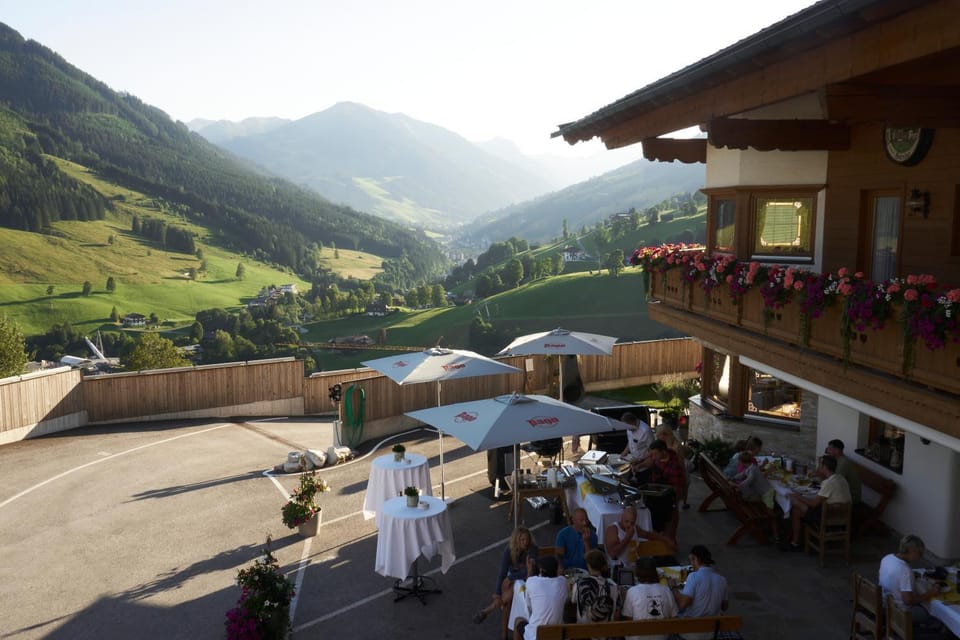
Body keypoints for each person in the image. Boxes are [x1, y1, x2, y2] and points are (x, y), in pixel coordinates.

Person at [474, 526, 539, 639]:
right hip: (514, 581)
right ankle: (503, 633)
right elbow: (502, 572)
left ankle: (489, 610)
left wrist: (511, 577)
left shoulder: (532, 549)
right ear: (516, 540)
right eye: (522, 540)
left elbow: (529, 571)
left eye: (527, 539)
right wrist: (497, 593)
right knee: (507, 601)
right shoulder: (509, 551)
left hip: (528, 580)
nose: (525, 542)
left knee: (508, 600)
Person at [878, 534, 945, 638]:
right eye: (920, 553)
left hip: (885, 604)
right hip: (900, 612)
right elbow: (908, 601)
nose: (921, 556)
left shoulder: (887, 558)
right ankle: (916, 634)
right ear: (911, 550)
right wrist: (931, 592)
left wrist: (909, 577)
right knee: (937, 616)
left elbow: (890, 576)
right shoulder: (905, 571)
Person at [782, 455, 851, 551]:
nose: (818, 467)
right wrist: (820, 474)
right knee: (797, 510)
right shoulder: (841, 478)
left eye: (820, 465)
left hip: (827, 518)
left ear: (824, 467)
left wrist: (797, 496)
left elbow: (814, 504)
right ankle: (795, 541)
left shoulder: (829, 483)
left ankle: (795, 542)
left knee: (795, 504)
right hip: (842, 517)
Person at [672, 545, 728, 640]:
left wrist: (673, 587)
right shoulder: (722, 580)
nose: (691, 564)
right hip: (712, 632)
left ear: (695, 559)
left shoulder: (693, 576)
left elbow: (682, 604)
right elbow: (724, 606)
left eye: (691, 561)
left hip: (692, 633)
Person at [621, 556, 678, 640]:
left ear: (637, 573)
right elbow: (674, 617)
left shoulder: (632, 591)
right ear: (655, 572)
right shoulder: (666, 590)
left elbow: (628, 619)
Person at [604, 505, 676, 571]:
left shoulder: (635, 528)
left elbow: (648, 535)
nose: (629, 525)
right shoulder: (613, 529)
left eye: (632, 522)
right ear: (622, 517)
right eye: (626, 521)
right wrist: (627, 538)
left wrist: (666, 540)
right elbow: (613, 553)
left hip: (635, 567)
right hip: (619, 568)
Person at [514, 555, 568, 640]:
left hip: (535, 636)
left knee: (518, 620)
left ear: (541, 571)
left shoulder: (532, 581)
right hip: (557, 635)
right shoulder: (563, 582)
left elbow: (528, 605)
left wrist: (529, 570)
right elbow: (561, 575)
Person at [572, 549, 620, 628]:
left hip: (583, 633)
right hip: (606, 633)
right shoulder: (613, 586)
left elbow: (573, 601)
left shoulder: (579, 584)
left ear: (588, 565)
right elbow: (617, 613)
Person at [647, 440, 684, 540]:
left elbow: (677, 487)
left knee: (670, 522)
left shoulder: (674, 465)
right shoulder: (658, 459)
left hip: (668, 498)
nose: (653, 457)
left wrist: (673, 502)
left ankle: (669, 544)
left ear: (663, 452)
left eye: (655, 454)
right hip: (656, 496)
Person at [825, 439, 862, 504]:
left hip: (852, 498)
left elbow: (835, 482)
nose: (828, 450)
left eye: (830, 448)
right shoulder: (838, 460)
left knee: (819, 500)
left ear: (837, 450)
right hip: (844, 494)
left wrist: (820, 474)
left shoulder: (843, 463)